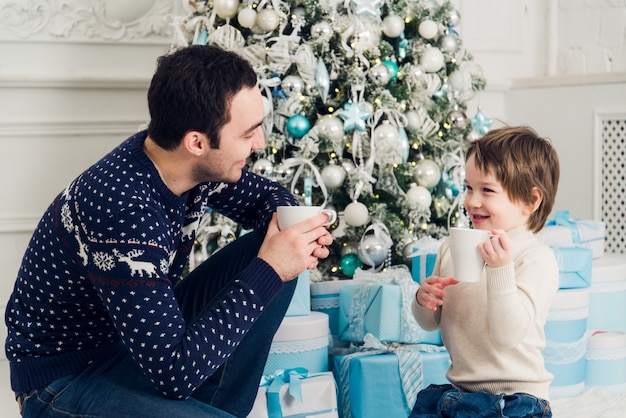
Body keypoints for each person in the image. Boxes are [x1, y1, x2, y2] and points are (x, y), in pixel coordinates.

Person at [5, 45, 333, 418]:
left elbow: (265, 201)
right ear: (197, 142)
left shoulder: (183, 162)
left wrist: (298, 228)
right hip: (65, 381)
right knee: (271, 263)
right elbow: (174, 374)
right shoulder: (122, 207)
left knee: (274, 244)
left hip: (135, 350)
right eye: (248, 133)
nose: (259, 143)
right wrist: (271, 268)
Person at [410, 126, 560, 417]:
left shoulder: (535, 258)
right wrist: (423, 298)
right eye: (468, 187)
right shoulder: (451, 248)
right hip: (460, 392)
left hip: (517, 399)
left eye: (487, 190)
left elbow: (508, 335)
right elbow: (431, 323)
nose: (472, 201)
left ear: (531, 201)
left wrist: (500, 269)